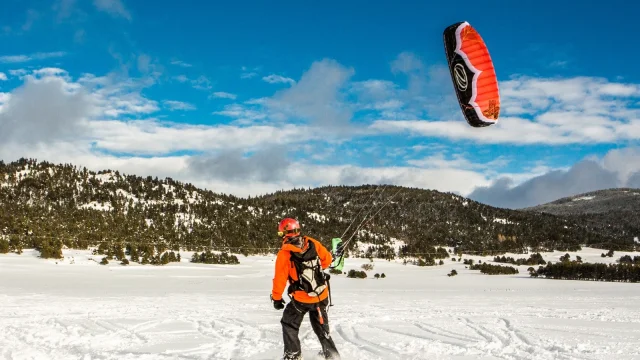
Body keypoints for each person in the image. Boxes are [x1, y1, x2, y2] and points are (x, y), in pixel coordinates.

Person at [271, 218, 341, 360]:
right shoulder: (312, 243)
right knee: (321, 327)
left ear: (285, 233)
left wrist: (277, 298)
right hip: (321, 295)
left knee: (289, 323)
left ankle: (293, 356)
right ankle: (332, 356)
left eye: (280, 233)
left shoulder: (285, 253)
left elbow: (280, 279)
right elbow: (327, 260)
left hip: (301, 299)